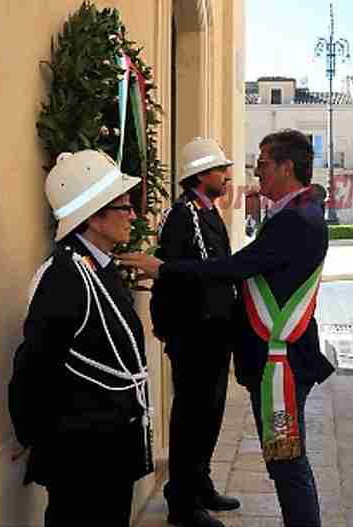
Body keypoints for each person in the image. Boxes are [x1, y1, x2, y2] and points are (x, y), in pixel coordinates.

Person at [119, 129, 334, 527]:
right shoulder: (288, 212)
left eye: (264, 163)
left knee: (286, 462)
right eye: (223, 167)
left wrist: (162, 269)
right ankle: (187, 495)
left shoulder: (295, 218)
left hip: (279, 359)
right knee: (266, 453)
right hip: (216, 341)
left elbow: (232, 267)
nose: (254, 171)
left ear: (287, 167)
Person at [8, 150, 152, 527]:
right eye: (124, 206)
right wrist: (30, 431)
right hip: (83, 457)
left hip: (109, 451)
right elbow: (34, 364)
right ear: (94, 216)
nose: (133, 216)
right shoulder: (66, 277)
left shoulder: (95, 268)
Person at [151, 138, 239, 527]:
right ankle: (182, 503)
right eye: (220, 169)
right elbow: (183, 277)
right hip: (195, 335)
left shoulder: (208, 212)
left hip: (214, 332)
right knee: (191, 419)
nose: (226, 175)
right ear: (201, 174)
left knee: (210, 414)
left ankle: (199, 483)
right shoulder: (184, 215)